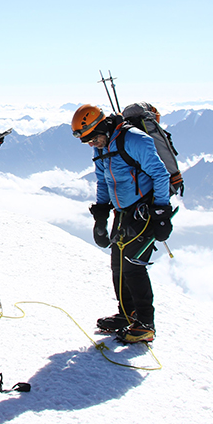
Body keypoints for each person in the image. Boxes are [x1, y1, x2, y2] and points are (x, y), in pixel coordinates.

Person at [71, 104, 173, 343]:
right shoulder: (102, 146)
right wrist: (101, 217)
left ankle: (145, 323)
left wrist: (161, 213)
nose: (91, 145)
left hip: (145, 211)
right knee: (118, 264)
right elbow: (103, 181)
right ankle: (127, 314)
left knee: (132, 264)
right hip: (122, 213)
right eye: (87, 142)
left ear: (103, 126)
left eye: (93, 139)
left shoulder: (135, 140)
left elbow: (160, 175)